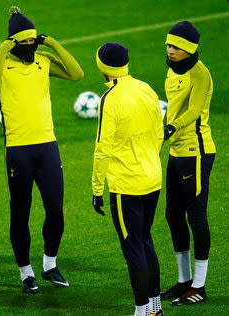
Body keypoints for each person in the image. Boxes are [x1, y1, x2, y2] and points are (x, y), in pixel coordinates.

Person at [0, 6, 83, 294]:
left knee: (55, 211)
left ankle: (49, 264)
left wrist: (52, 43)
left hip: (47, 146)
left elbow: (76, 74)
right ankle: (25, 272)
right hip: (18, 150)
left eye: (32, 40)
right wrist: (4, 49)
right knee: (20, 213)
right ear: (13, 41)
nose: (29, 45)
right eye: (23, 41)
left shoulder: (43, 59)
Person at [91, 42, 164, 316]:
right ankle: (155, 308)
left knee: (133, 248)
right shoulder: (146, 88)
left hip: (126, 186)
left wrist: (97, 189)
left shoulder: (110, 99)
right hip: (152, 179)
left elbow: (102, 148)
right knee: (145, 240)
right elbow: (159, 133)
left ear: (103, 67)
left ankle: (141, 310)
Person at [160, 21, 216, 306]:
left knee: (196, 217)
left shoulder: (200, 74)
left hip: (197, 152)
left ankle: (200, 286)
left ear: (190, 49)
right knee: (173, 215)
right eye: (169, 45)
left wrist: (172, 127)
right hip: (177, 152)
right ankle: (184, 281)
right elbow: (172, 107)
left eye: (177, 47)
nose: (170, 51)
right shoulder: (172, 71)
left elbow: (193, 110)